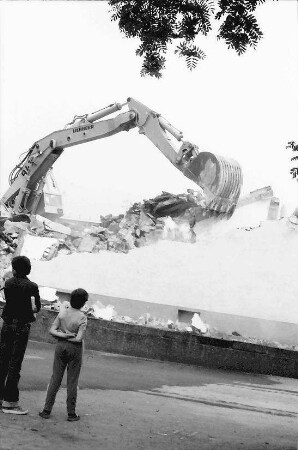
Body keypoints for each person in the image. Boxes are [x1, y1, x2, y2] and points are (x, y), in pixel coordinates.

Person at [39, 288, 88, 422]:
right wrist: (69, 336)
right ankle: (71, 413)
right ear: (83, 303)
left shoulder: (63, 312)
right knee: (72, 381)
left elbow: (52, 330)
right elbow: (78, 339)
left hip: (60, 346)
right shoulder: (82, 317)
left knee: (55, 378)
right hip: (74, 349)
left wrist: (63, 336)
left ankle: (46, 410)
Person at [0, 255, 41, 415]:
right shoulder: (32, 286)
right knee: (14, 364)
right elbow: (36, 307)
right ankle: (10, 403)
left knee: (2, 360)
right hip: (21, 328)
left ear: (15, 268)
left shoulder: (8, 283)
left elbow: (8, 301)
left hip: (7, 325)